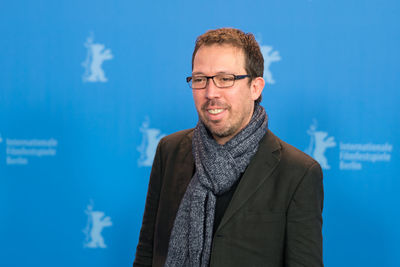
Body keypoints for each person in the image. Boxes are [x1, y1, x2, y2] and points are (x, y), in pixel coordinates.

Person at [133, 28, 324, 267]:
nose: (211, 93)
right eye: (200, 79)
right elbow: (147, 254)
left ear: (256, 87)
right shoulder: (169, 151)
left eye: (226, 79)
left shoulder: (298, 172)